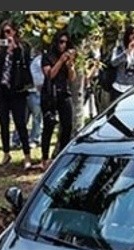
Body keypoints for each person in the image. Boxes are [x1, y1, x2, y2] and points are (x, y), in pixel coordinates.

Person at [0, 20, 34, 170]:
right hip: (1, 90)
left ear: (15, 31)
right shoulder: (1, 47)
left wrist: (14, 49)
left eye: (9, 31)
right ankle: (6, 152)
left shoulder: (23, 47)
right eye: (4, 32)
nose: (6, 35)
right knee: (3, 123)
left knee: (20, 123)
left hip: (17, 90)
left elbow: (25, 63)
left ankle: (27, 155)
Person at [39, 30, 76, 170]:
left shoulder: (68, 58)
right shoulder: (47, 56)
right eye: (61, 42)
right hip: (50, 94)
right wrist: (61, 61)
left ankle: (62, 155)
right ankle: (44, 158)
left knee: (67, 126)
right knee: (48, 126)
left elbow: (72, 78)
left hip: (64, 93)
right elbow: (50, 74)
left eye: (66, 42)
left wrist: (70, 65)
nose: (64, 45)